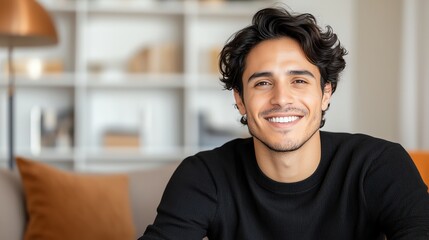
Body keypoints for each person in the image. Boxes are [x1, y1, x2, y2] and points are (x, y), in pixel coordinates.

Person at [139, 6, 429, 240]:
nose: (281, 98)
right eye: (263, 83)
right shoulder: (205, 175)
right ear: (240, 99)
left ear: (325, 93)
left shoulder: (378, 165)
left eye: (299, 81)